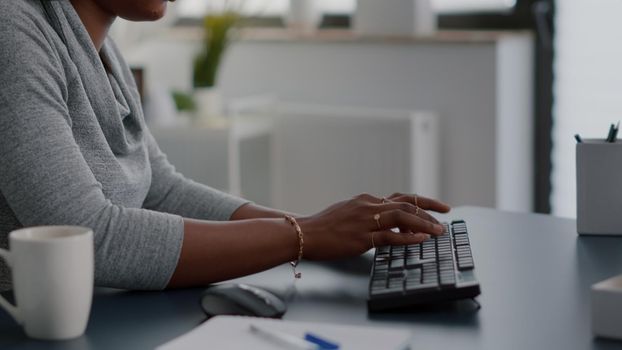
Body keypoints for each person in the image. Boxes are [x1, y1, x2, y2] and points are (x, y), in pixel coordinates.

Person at [0, 0, 450, 292]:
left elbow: (161, 188)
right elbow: (89, 238)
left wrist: (320, 228)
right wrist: (305, 235)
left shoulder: (105, 53)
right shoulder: (12, 32)